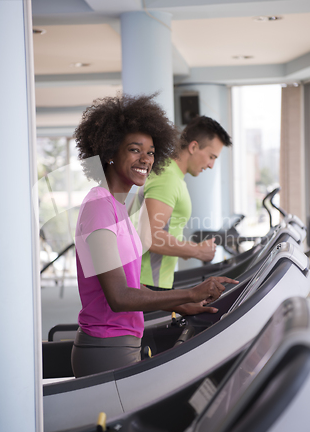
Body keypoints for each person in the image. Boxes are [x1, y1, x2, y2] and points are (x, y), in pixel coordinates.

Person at [71, 94, 238, 377]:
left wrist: (184, 304)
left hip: (122, 342)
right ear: (110, 151)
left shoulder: (117, 207)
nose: (145, 160)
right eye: (135, 150)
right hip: (105, 347)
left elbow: (133, 285)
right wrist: (191, 291)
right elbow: (119, 297)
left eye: (150, 152)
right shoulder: (99, 206)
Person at [130, 115, 233, 291]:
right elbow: (150, 237)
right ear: (193, 147)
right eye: (211, 156)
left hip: (153, 280)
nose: (211, 165)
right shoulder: (168, 178)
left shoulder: (172, 175)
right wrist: (196, 251)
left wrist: (187, 249)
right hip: (146, 283)